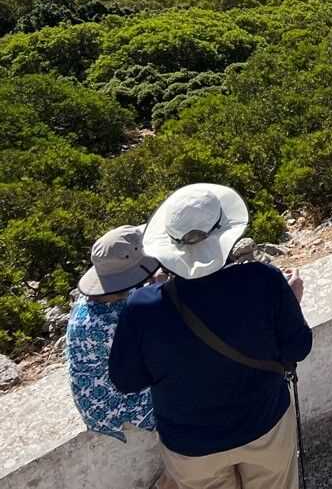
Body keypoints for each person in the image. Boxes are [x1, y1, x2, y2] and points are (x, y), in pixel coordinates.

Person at [109, 184, 312, 489]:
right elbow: (298, 348)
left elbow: (126, 381)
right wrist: (292, 303)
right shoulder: (264, 280)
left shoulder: (143, 307)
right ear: (226, 234)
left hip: (191, 444)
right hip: (264, 423)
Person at [67, 226, 178, 489]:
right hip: (115, 403)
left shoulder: (92, 303)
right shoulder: (117, 322)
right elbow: (164, 351)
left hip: (95, 394)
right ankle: (180, 474)